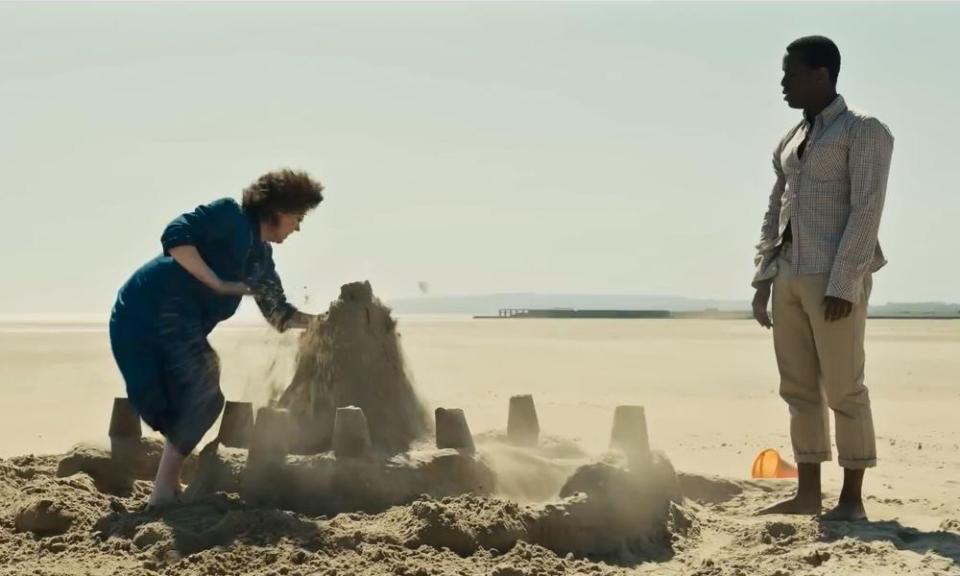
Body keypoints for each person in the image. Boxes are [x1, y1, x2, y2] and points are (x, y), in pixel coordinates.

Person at [109, 169, 324, 509]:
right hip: (148, 309)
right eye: (297, 218)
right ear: (279, 210)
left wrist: (327, 322)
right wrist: (217, 283)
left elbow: (280, 314)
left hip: (178, 324)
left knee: (197, 400)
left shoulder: (261, 261)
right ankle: (164, 490)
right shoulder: (230, 215)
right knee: (204, 392)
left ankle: (166, 486)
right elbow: (176, 234)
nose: (297, 228)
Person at [752, 36, 894, 521]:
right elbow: (777, 206)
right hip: (789, 274)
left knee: (844, 388)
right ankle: (807, 493)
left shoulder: (863, 130)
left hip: (833, 278)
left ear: (821, 74)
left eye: (790, 74)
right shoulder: (791, 138)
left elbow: (867, 209)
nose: (783, 83)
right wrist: (762, 277)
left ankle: (851, 501)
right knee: (798, 388)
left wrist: (844, 283)